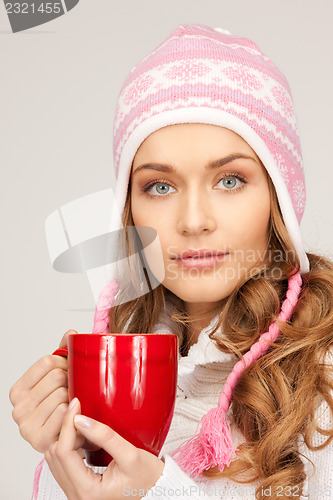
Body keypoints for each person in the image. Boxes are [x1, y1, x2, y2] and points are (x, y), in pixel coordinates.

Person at [9, 24, 333, 500]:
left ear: (279, 198)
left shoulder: (322, 381)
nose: (193, 221)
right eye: (160, 186)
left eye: (229, 180)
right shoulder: (118, 363)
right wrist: (73, 458)